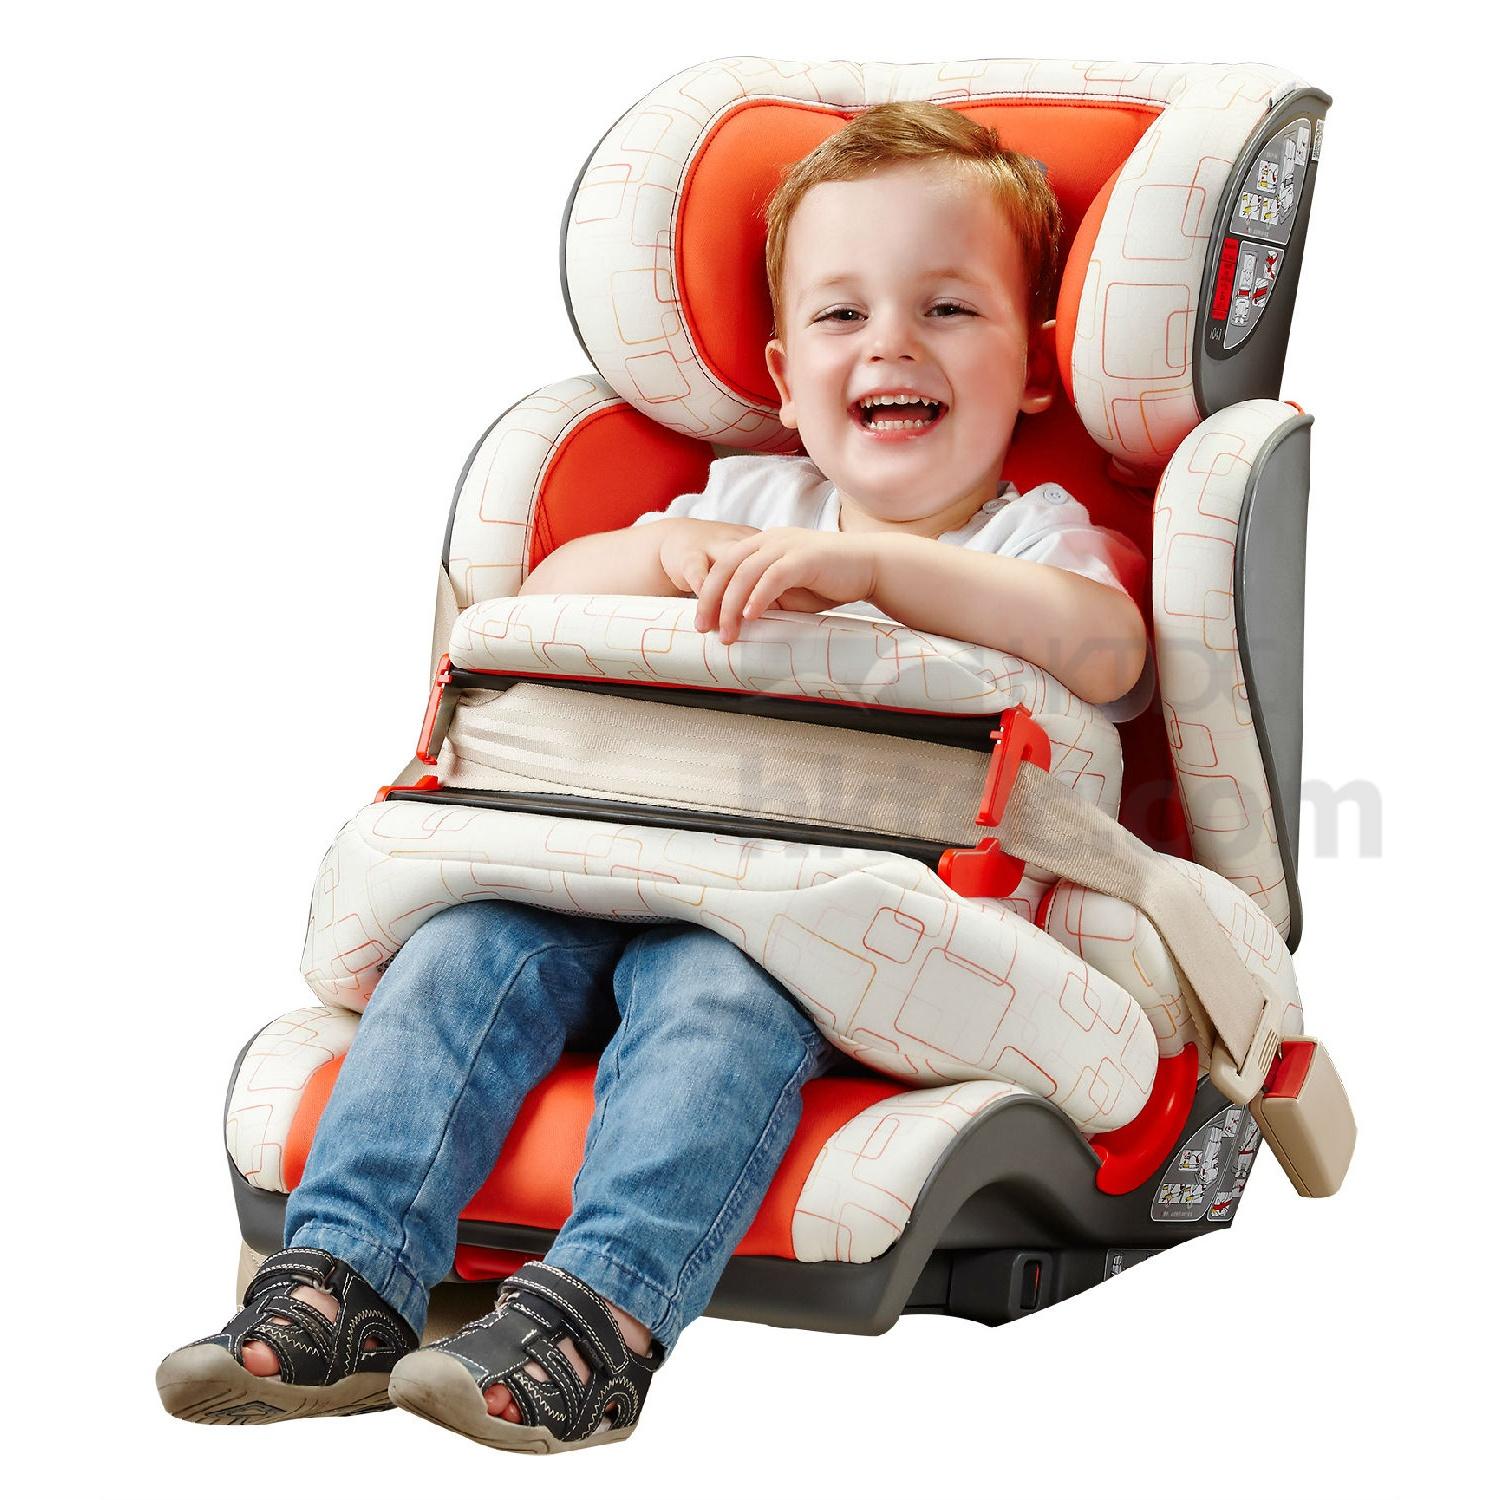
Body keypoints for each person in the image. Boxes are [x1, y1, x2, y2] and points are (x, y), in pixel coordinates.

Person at [156, 100, 1148, 1455]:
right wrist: (664, 560)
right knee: (459, 950)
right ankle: (345, 1279)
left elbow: (1105, 647)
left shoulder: (1032, 539)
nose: (892, 344)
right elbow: (543, 603)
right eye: (843, 315)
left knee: (714, 992)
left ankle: (602, 1322)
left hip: (827, 922)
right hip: (616, 857)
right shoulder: (742, 503)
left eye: (949, 310)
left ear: (1032, 368)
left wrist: (880, 569)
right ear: (784, 375)